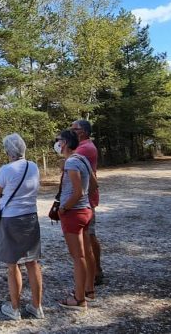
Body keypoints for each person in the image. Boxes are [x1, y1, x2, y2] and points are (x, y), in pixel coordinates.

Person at [0, 133, 44, 321]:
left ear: (8, 151)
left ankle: (14, 308)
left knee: (13, 265)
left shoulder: (6, 169)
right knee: (33, 263)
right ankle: (37, 306)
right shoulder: (33, 166)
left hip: (11, 218)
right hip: (31, 216)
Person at [54, 129, 95, 310]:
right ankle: (86, 291)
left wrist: (64, 208)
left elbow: (77, 192)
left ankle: (79, 299)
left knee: (78, 257)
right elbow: (94, 184)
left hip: (74, 214)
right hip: (86, 211)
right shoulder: (82, 159)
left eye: (59, 140)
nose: (57, 144)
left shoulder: (71, 162)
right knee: (84, 255)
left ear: (66, 143)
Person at [71, 119, 104, 285]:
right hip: (86, 196)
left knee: (89, 235)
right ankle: (94, 270)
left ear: (82, 131)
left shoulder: (84, 148)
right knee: (88, 235)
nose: (72, 132)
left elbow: (68, 162)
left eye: (74, 129)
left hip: (86, 198)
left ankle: (95, 272)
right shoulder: (85, 147)